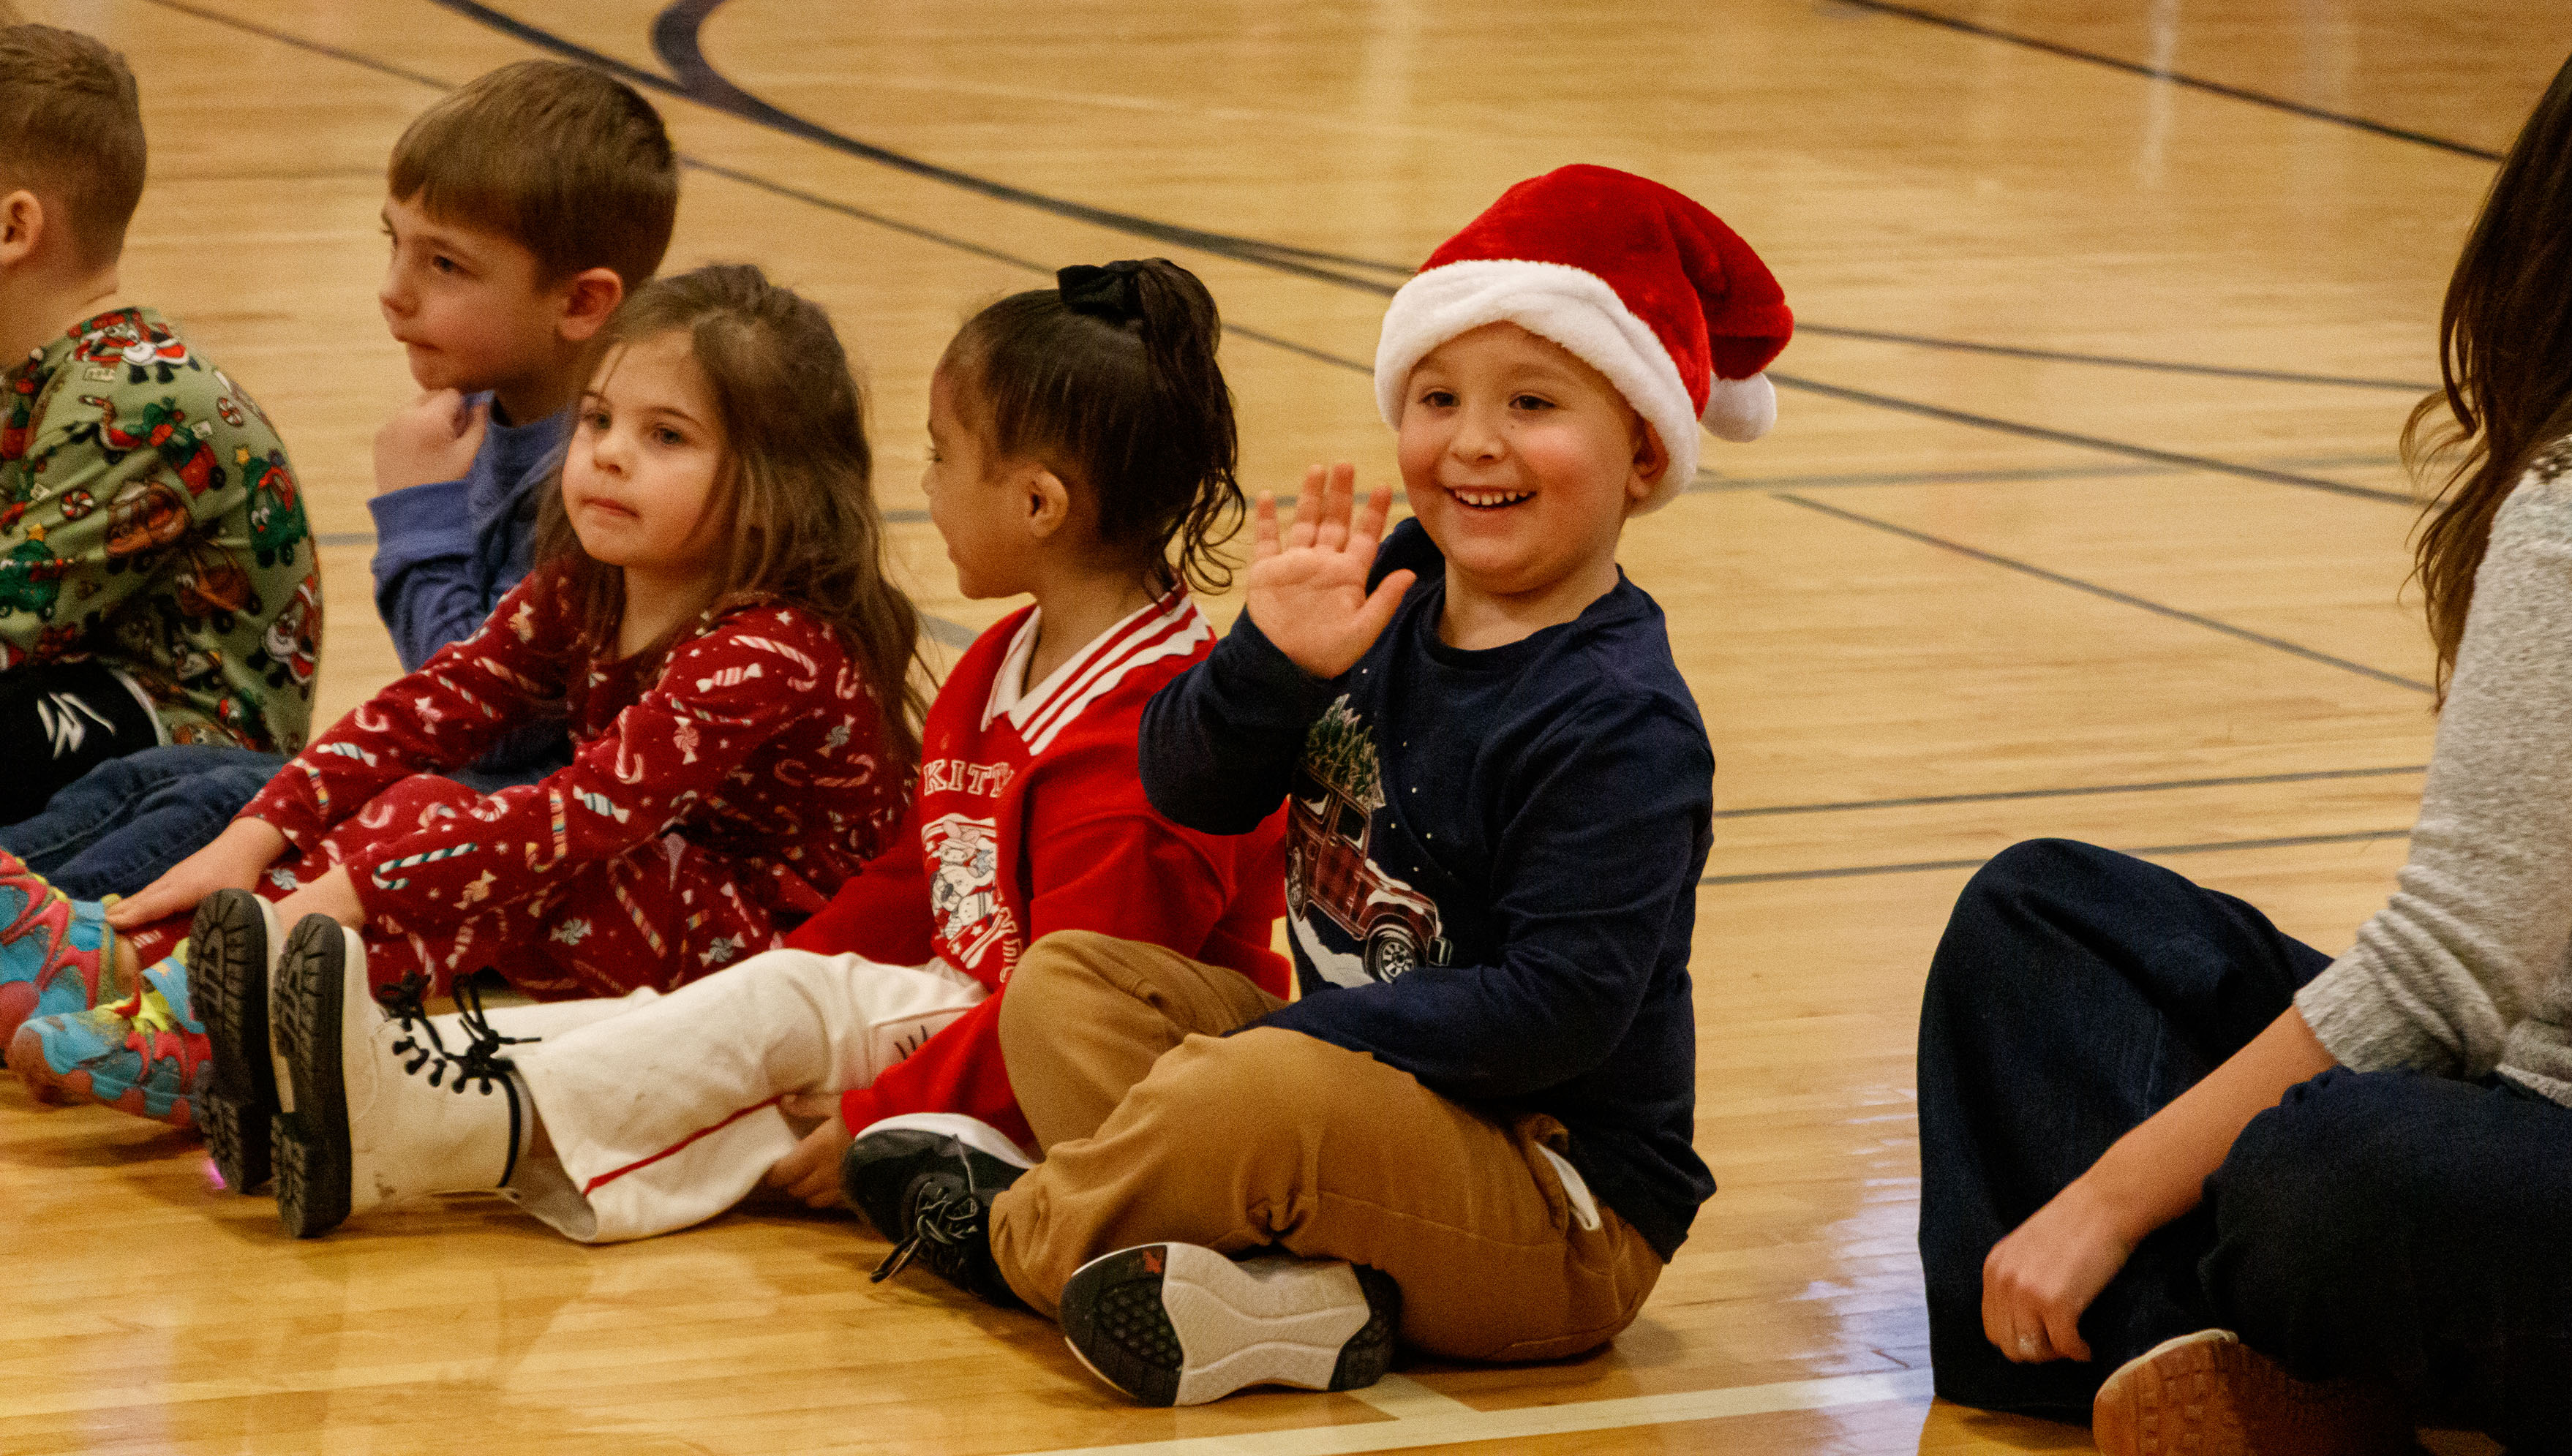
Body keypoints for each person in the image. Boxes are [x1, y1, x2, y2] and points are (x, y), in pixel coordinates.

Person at [841, 165, 1794, 1408]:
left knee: (1260, 1087)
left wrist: (1285, 1056)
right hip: (1364, 1105)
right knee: (1067, 981)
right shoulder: (1394, 588)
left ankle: (1017, 1234)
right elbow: (1186, 786)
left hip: (1558, 1206)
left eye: (1535, 402)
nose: (1476, 440)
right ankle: (1291, 1304)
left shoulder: (1620, 719)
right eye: (1440, 396)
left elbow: (1553, 1013)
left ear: (1645, 451)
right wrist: (1270, 665)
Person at [232, 257, 1290, 1245]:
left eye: (940, 455)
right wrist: (802, 965)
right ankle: (406, 1084)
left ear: (1038, 503)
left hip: (1083, 1083)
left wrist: (884, 1108)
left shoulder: (1147, 738)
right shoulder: (1010, 655)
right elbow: (916, 869)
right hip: (962, 1017)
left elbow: (1077, 1025)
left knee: (760, 1032)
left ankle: (426, 1130)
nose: (921, 483)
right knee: (730, 1018)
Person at [1917, 1, 2572, 1456]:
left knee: (2338, 1173)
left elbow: (2447, 972)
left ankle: (2212, 1381)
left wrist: (2116, 1189)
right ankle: (2229, 1392)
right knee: (2049, 930)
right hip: (2550, 1145)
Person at [8, 266, 922, 1185]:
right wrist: (258, 836)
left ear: (775, 483)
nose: (606, 453)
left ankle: (178, 1005)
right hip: (654, 888)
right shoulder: (593, 582)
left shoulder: (773, 648)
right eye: (598, 419)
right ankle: (146, 981)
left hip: (773, 959)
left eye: (666, 437)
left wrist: (356, 888)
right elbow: (432, 705)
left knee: (478, 840)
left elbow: (581, 818)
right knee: (393, 809)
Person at [0, 58, 677, 913]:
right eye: (395, 245)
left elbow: (493, 717)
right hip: (439, 795)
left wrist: (420, 517)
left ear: (581, 302)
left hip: (518, 833)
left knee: (210, 800)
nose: (394, 294)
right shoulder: (484, 426)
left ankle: (43, 940)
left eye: (445, 266)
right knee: (169, 777)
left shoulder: (600, 479)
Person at [0, 23, 318, 818]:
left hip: (191, 752)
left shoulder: (128, 397)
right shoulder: (41, 373)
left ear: (14, 229)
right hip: (82, 694)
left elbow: (10, 621)